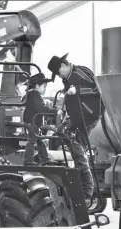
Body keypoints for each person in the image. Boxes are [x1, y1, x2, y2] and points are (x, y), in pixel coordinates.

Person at [47, 53, 102, 202]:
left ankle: (86, 187)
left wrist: (77, 90)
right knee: (67, 136)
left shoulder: (80, 72)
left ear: (64, 65)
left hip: (89, 116)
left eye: (58, 73)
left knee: (71, 140)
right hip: (77, 117)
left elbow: (97, 89)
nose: (59, 76)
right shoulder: (67, 78)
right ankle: (83, 184)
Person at [23, 72, 61, 166]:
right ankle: (28, 161)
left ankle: (44, 159)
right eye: (44, 86)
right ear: (37, 86)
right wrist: (55, 111)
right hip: (33, 122)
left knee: (40, 141)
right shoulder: (35, 96)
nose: (45, 89)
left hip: (32, 122)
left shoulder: (31, 95)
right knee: (32, 141)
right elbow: (41, 109)